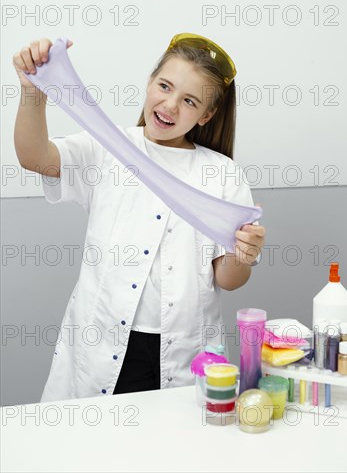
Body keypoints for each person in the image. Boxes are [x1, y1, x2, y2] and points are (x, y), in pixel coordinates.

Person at [13, 33, 266, 403]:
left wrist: (243, 254)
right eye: (164, 86)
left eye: (189, 101)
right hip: (101, 342)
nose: (170, 105)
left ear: (207, 115)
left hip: (182, 354)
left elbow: (227, 279)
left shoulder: (223, 175)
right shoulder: (107, 146)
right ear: (150, 82)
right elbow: (35, 158)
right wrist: (33, 92)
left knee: (169, 454)